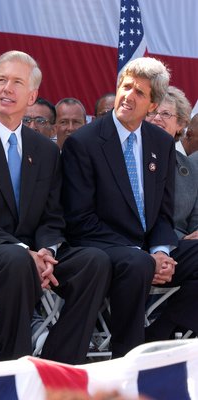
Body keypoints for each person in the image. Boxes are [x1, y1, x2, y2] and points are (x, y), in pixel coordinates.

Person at [0, 50, 111, 364]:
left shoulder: (45, 151)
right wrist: (24, 250)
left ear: (32, 94)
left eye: (16, 82)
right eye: (1, 80)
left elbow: (52, 215)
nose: (6, 88)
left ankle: (57, 362)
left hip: (29, 253)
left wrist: (47, 250)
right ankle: (14, 364)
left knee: (95, 261)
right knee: (15, 259)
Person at [61, 57, 198, 358]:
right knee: (138, 264)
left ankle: (158, 339)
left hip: (148, 248)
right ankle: (126, 359)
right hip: (100, 246)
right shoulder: (84, 143)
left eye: (140, 92)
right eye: (126, 87)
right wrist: (144, 254)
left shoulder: (160, 143)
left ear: (152, 104)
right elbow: (79, 220)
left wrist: (161, 250)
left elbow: (163, 214)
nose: (128, 96)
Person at [146, 86, 198, 241]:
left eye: (165, 114)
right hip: (136, 245)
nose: (156, 118)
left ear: (180, 124)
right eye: (152, 112)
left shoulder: (190, 168)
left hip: (180, 245)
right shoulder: (129, 157)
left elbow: (195, 221)